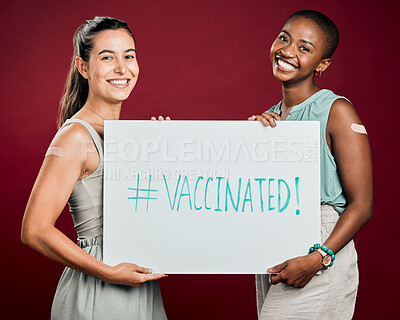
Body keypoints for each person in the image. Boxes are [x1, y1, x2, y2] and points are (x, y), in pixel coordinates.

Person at [21, 16, 167, 320]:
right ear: (83, 66)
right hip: (99, 290)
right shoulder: (75, 137)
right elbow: (34, 230)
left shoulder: (130, 139)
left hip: (139, 286)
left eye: (129, 56)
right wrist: (108, 272)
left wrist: (166, 154)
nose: (121, 68)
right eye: (107, 57)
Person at [248, 10, 373, 319]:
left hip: (321, 243)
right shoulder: (269, 118)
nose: (288, 51)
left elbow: (362, 204)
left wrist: (319, 257)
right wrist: (248, 142)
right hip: (273, 242)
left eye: (304, 47)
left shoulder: (337, 111)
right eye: (284, 38)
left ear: (322, 64)